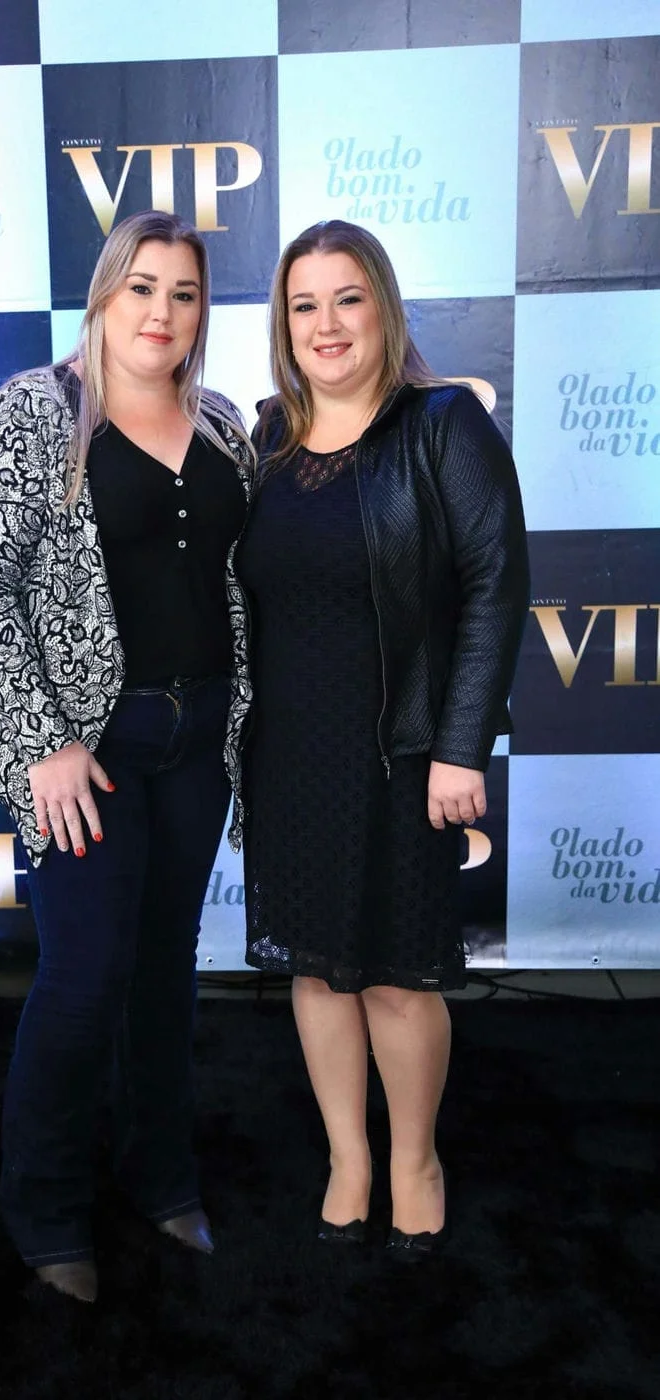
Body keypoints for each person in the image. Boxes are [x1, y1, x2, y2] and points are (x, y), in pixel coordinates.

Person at [0, 211, 254, 1302]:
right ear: (104, 295)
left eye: (184, 293)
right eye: (142, 288)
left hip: (199, 739)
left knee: (165, 972)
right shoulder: (39, 410)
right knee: (83, 980)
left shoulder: (223, 423)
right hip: (86, 750)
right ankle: (41, 1208)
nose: (162, 312)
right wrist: (46, 742)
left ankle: (160, 1176)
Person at [236, 220, 529, 1258]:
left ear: (384, 308)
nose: (327, 324)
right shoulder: (265, 439)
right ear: (285, 323)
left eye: (347, 298)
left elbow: (496, 584)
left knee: (400, 975)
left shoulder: (442, 423)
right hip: (289, 754)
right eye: (304, 304)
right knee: (318, 968)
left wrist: (461, 746)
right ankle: (347, 1159)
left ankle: (415, 1161)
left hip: (405, 755)